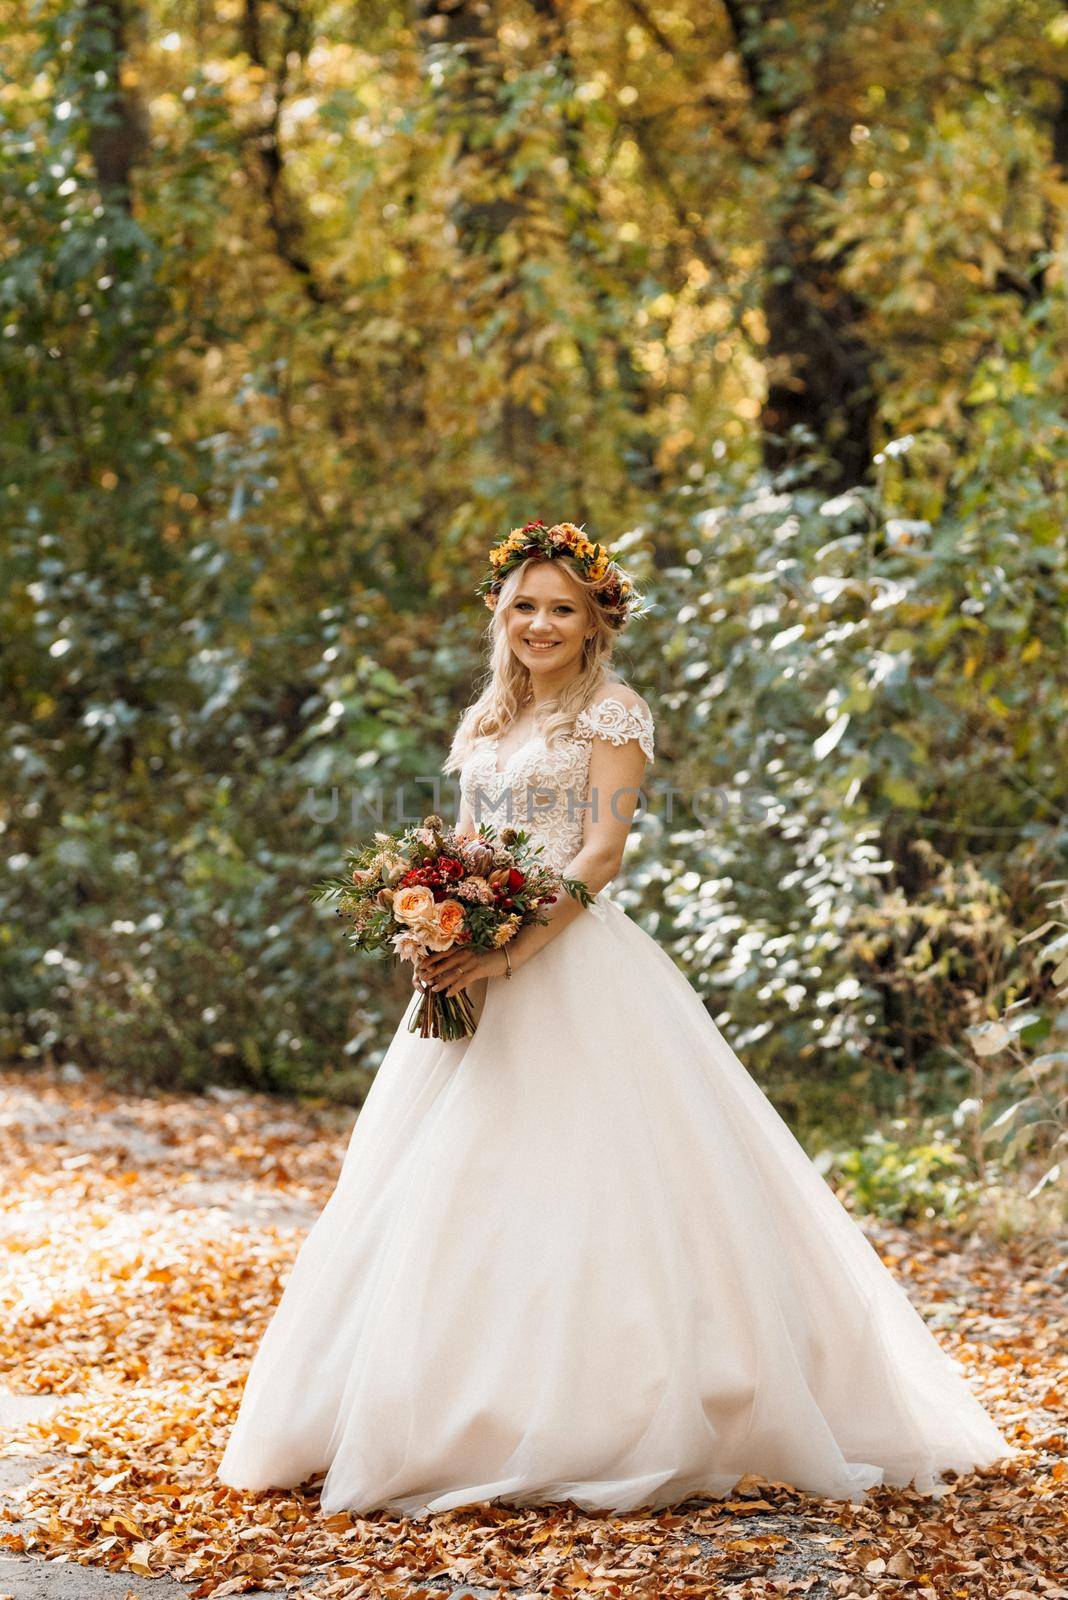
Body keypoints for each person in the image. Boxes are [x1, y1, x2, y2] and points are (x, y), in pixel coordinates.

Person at [217, 518, 1017, 1518]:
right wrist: (430, 928)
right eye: (525, 606)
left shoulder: (614, 712)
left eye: (562, 607)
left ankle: (601, 1413)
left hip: (571, 961)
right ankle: (421, 1408)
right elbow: (462, 845)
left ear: (597, 619)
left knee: (596, 1179)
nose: (542, 623)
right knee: (444, 1182)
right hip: (471, 972)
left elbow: (600, 854)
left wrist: (508, 948)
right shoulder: (483, 719)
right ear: (499, 617)